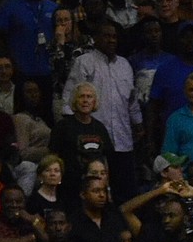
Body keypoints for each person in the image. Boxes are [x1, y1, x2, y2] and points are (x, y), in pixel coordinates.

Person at [61, 20, 143, 203]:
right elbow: (69, 99)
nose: (111, 40)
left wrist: (138, 124)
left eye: (114, 37)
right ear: (95, 38)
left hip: (122, 140)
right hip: (93, 143)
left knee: (126, 194)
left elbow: (132, 100)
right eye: (106, 36)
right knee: (96, 193)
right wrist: (73, 131)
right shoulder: (84, 62)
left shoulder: (125, 65)